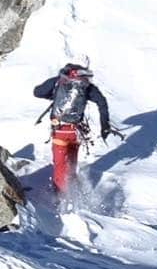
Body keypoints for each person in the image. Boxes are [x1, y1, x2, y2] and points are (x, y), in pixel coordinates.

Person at [33, 59, 113, 194]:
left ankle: (60, 196)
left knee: (60, 166)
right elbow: (102, 102)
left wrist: (54, 94)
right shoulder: (86, 85)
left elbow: (38, 92)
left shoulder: (59, 81)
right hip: (76, 132)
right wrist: (105, 125)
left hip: (59, 130)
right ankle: (73, 192)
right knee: (71, 164)